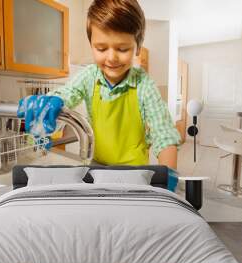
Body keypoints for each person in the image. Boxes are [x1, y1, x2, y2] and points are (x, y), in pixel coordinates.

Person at [50, 0, 181, 169]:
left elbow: (164, 135)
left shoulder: (144, 85)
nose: (111, 58)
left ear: (138, 48)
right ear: (91, 45)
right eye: (101, 49)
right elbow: (67, 94)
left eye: (122, 49)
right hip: (97, 166)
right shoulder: (89, 76)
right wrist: (51, 102)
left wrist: (168, 174)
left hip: (135, 171)